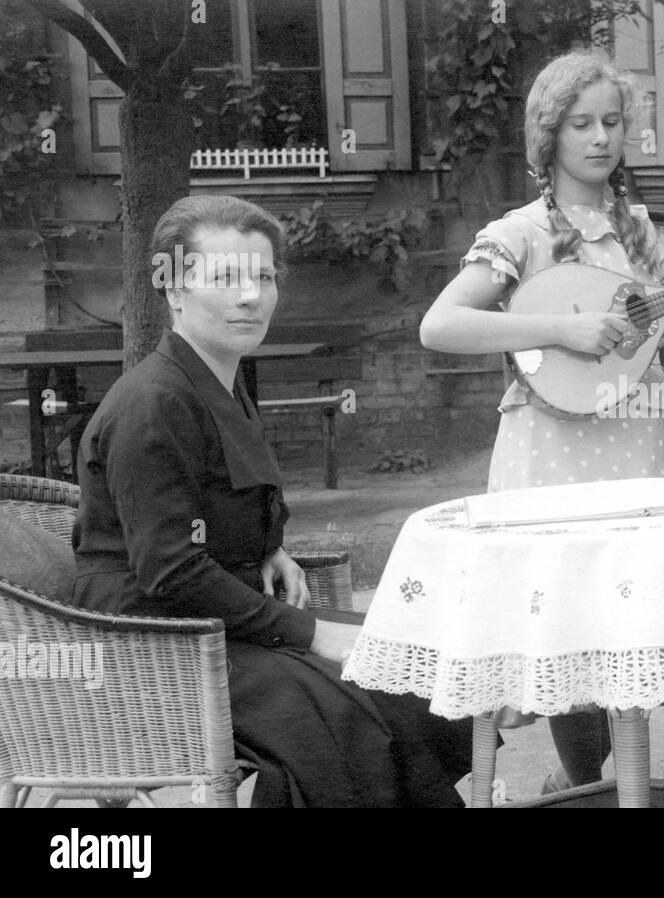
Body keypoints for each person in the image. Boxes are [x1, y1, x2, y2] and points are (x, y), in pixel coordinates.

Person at [420, 50, 664, 792]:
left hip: (636, 443)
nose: (600, 137)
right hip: (550, 450)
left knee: (627, 630)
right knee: (566, 629)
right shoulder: (519, 233)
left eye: (612, 121)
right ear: (548, 135)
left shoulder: (642, 235)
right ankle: (583, 786)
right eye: (581, 123)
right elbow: (440, 325)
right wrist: (560, 329)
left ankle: (607, 787)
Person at [72, 194, 475, 807]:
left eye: (263, 277)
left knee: (413, 658)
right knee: (345, 712)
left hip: (214, 617)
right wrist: (310, 633)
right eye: (225, 278)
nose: (250, 296)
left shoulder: (219, 379)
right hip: (151, 638)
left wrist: (268, 546)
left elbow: (217, 500)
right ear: (175, 290)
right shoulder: (153, 403)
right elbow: (169, 569)